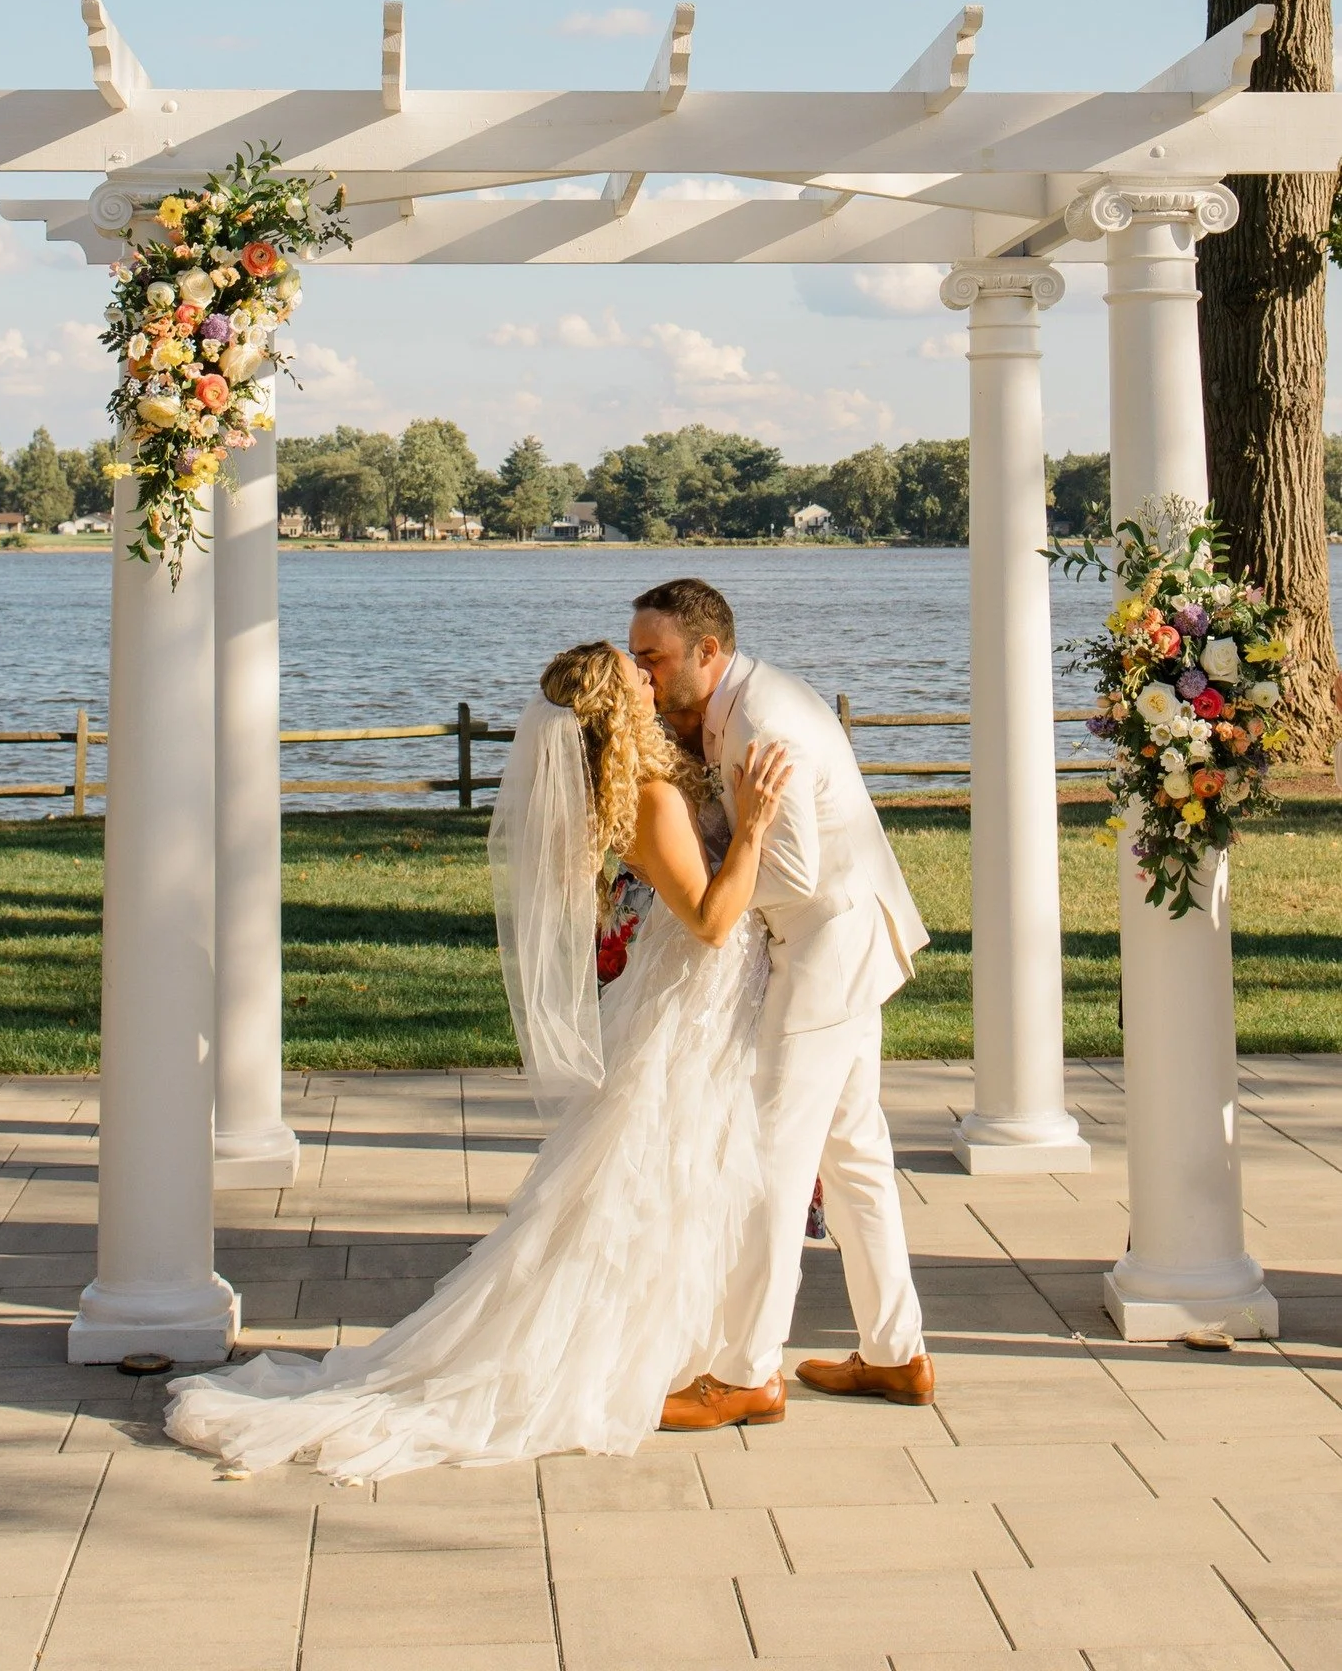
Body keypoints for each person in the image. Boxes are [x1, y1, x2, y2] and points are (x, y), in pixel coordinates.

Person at [163, 642, 790, 1481]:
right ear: (617, 706)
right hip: (689, 1000)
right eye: (634, 673)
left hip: (681, 998)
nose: (649, 676)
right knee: (655, 1174)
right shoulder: (649, 797)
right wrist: (753, 826)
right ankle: (627, 1355)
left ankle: (683, 1347)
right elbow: (713, 920)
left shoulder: (643, 785)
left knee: (667, 1173)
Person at [628, 578, 934, 1426]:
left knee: (774, 1155)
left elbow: (792, 873)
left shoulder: (762, 723)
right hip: (836, 940)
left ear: (708, 653)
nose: (640, 675)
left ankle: (743, 1372)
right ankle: (894, 1354)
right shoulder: (737, 707)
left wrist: (709, 853)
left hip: (825, 951)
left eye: (651, 659)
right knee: (853, 1152)